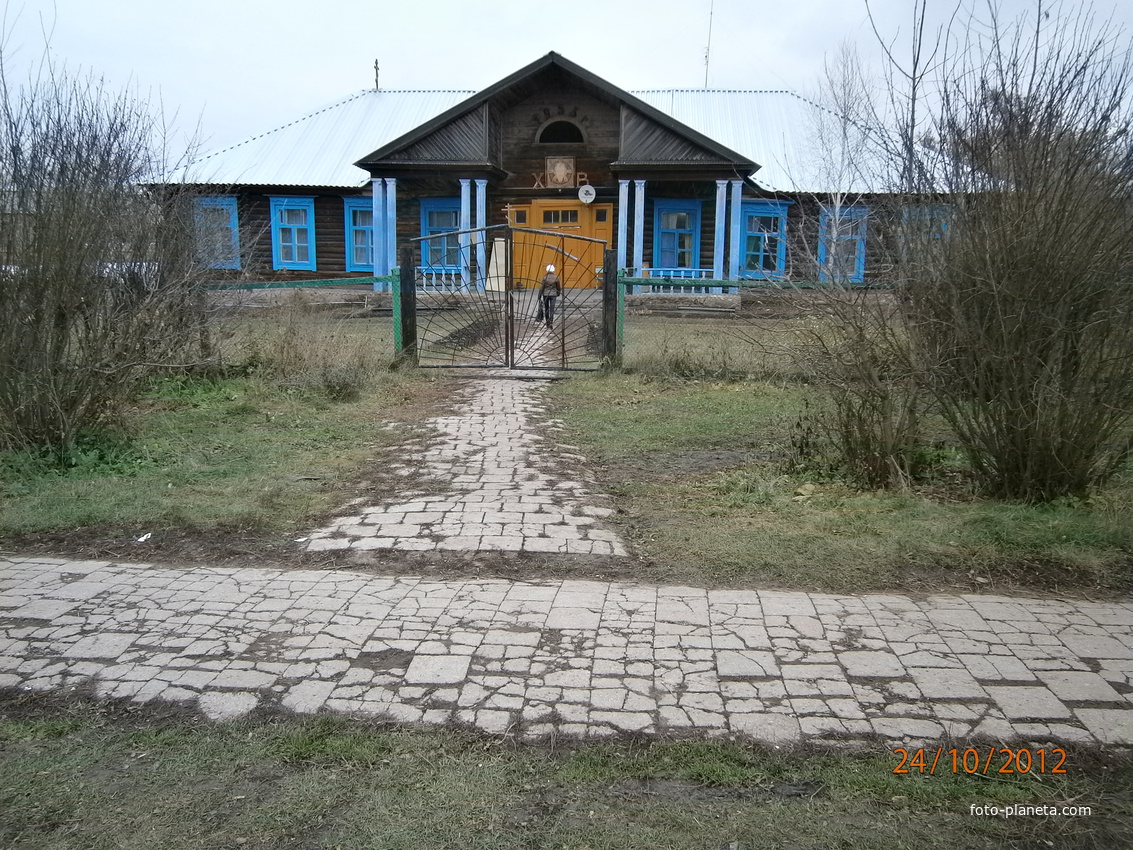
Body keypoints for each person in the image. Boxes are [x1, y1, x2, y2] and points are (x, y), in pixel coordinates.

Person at [539, 263, 561, 329]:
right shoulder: (556, 277)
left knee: (546, 308)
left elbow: (541, 287)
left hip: (545, 295)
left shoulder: (545, 277)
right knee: (552, 308)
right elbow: (558, 287)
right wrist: (558, 293)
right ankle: (551, 321)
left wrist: (539, 295)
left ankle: (547, 322)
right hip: (553, 295)